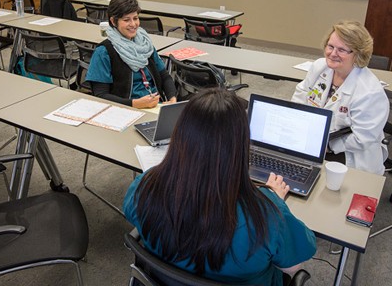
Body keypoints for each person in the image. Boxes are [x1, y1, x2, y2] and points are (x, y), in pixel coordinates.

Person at [123, 88, 316, 285]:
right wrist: (273, 199)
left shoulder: (146, 185)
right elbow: (293, 266)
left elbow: (132, 215)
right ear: (241, 146)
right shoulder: (267, 215)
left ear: (181, 135)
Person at [291, 20, 388, 175]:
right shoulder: (320, 66)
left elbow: (362, 138)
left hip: (350, 154)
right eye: (330, 46)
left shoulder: (370, 92)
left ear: (358, 54)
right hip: (313, 141)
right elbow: (300, 96)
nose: (332, 53)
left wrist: (327, 146)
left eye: (342, 50)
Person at [85, 0, 177, 108]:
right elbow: (100, 95)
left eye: (135, 18)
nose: (133, 24)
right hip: (126, 109)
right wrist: (134, 104)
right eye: (126, 20)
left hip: (156, 105)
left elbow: (164, 76)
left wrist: (172, 98)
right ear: (113, 21)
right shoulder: (104, 52)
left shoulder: (145, 44)